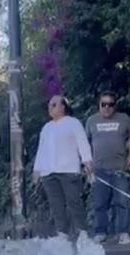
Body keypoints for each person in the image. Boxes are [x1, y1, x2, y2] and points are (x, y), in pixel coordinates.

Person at [32, 95, 93, 238]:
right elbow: (41, 150)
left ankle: (82, 231)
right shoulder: (46, 127)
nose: (50, 107)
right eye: (49, 105)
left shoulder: (73, 123)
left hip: (68, 170)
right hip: (49, 172)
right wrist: (37, 170)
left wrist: (87, 161)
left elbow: (82, 143)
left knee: (74, 201)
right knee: (56, 205)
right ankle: (62, 233)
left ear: (63, 106)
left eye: (54, 104)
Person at [85, 91, 130, 245]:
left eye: (111, 104)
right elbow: (85, 143)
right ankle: (100, 232)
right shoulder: (91, 121)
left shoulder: (123, 119)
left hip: (119, 169)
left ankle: (123, 232)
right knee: (100, 203)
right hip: (99, 169)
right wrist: (87, 163)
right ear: (99, 105)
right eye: (104, 104)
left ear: (115, 106)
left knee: (122, 202)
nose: (107, 107)